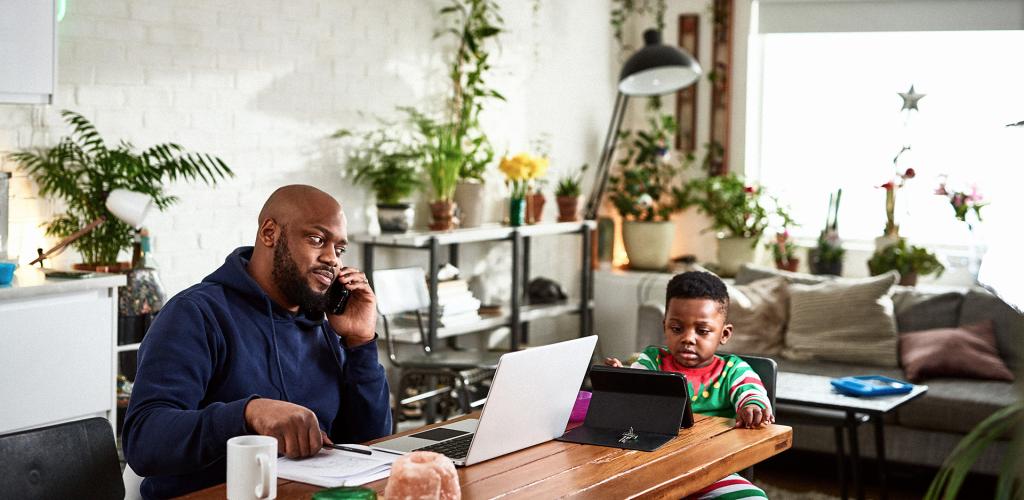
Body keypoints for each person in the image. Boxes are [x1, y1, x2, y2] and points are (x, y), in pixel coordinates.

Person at [123, 185, 392, 498]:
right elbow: (144, 440)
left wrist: (360, 343)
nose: (332, 259)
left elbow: (370, 444)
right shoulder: (195, 314)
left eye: (340, 249)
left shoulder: (325, 325)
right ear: (269, 233)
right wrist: (248, 414)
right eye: (317, 239)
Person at [604, 271, 773, 499]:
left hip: (712, 470)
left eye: (702, 331)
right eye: (677, 329)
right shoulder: (652, 360)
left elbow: (751, 391)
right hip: (651, 465)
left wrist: (751, 406)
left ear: (724, 334)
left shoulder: (733, 370)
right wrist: (619, 381)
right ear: (665, 327)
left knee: (752, 497)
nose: (688, 338)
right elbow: (636, 385)